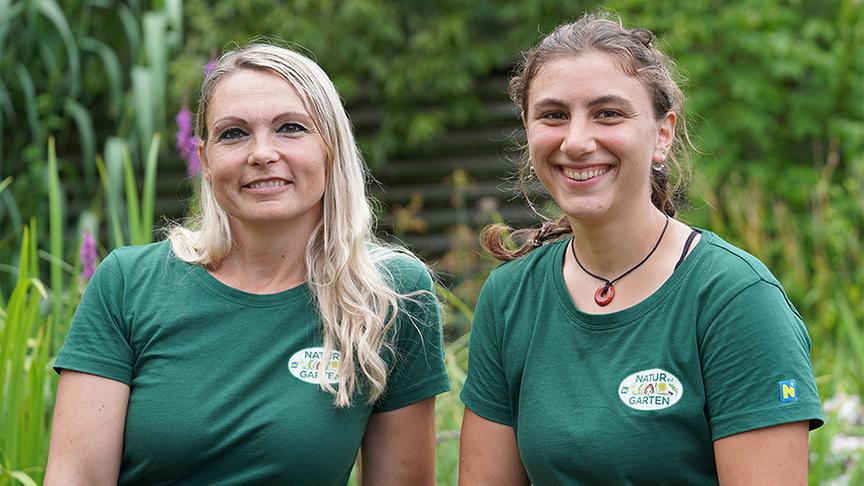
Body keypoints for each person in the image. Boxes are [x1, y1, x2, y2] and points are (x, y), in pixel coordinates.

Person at [45, 42, 449, 485]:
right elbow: (76, 478)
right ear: (204, 159)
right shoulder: (129, 284)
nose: (261, 153)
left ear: (331, 148)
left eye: (290, 128)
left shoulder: (388, 294)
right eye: (233, 133)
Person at [458, 12, 823, 486]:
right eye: (553, 116)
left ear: (663, 134)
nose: (577, 141)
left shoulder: (736, 300)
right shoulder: (510, 298)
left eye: (608, 113)